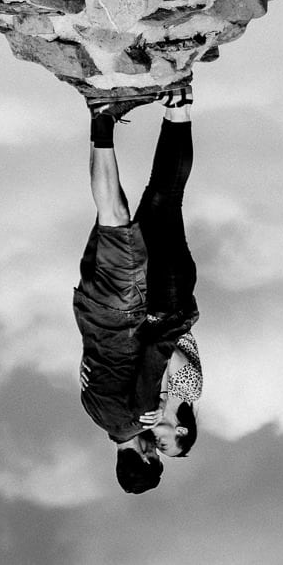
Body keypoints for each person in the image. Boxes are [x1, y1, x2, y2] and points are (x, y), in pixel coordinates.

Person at [73, 83, 203, 493]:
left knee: (122, 213)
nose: (156, 446)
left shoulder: (140, 415)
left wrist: (184, 321)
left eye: (154, 453)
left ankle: (103, 118)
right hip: (91, 309)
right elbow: (91, 368)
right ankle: (157, 111)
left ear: (145, 457)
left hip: (126, 307)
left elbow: (154, 353)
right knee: (133, 209)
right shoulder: (95, 413)